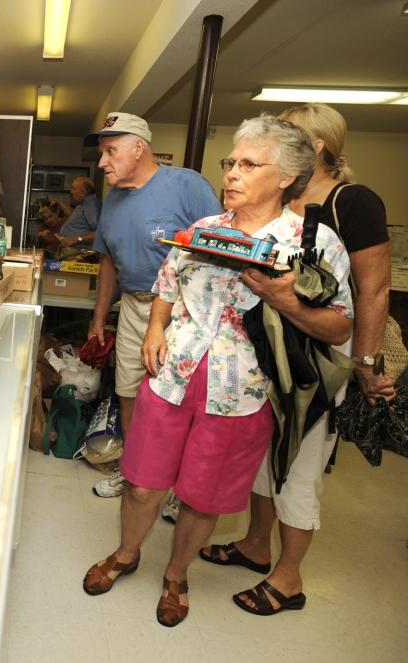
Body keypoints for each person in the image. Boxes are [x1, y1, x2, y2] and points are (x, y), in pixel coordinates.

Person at [83, 114, 353, 627]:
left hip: (244, 391)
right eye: (231, 161)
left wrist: (284, 299)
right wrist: (158, 328)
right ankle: (125, 553)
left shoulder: (314, 245)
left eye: (249, 164)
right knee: (141, 482)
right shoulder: (204, 229)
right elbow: (168, 283)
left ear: (286, 177)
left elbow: (339, 328)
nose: (231, 173)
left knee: (202, 497)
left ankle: (176, 575)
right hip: (174, 374)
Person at [200, 103, 393, 616]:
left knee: (301, 464)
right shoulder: (269, 208)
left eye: (282, 136)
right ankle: (255, 545)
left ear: (315, 150)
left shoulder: (350, 204)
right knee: (268, 456)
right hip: (267, 351)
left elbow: (372, 291)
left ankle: (289, 579)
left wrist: (367, 363)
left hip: (316, 355)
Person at [85, 112, 222, 513]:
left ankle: (181, 489)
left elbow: (217, 250)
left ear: (138, 147)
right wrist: (98, 317)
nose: (102, 162)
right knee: (128, 389)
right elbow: (108, 262)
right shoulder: (112, 201)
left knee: (178, 398)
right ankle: (134, 470)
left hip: (184, 312)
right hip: (132, 305)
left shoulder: (187, 186)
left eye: (110, 151)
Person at [56, 176, 100, 249]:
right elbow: (77, 217)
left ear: (83, 193)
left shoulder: (91, 206)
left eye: (74, 189)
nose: (71, 191)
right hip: (71, 249)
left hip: (79, 253)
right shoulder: (85, 203)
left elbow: (99, 232)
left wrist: (76, 239)